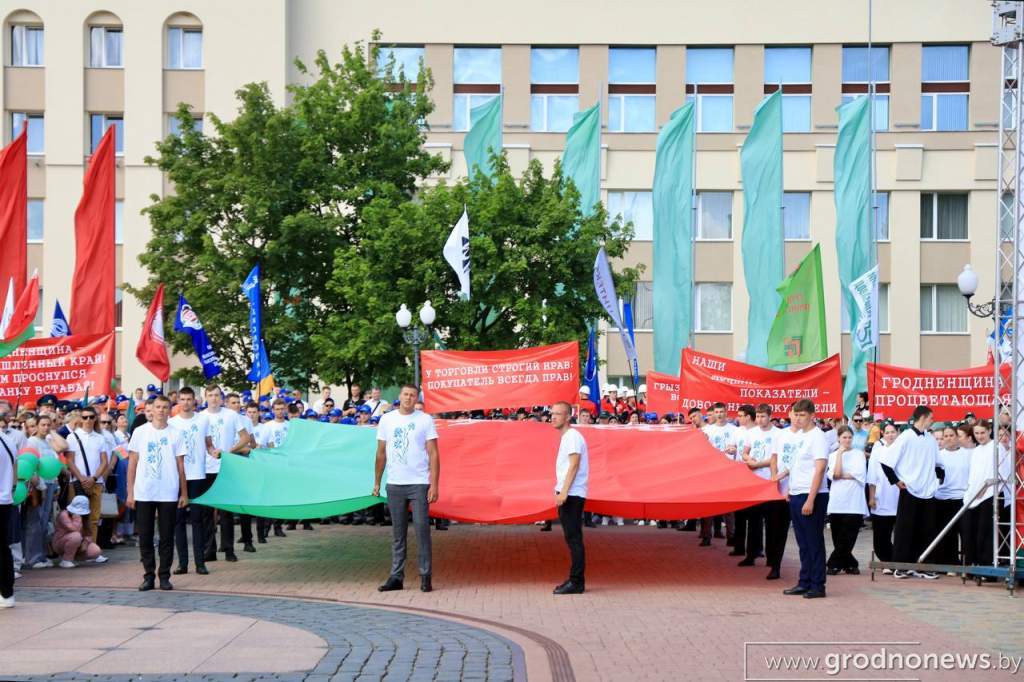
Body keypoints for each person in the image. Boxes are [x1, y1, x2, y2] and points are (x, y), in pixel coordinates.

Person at [373, 384, 440, 593]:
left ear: (416, 398)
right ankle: (396, 576)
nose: (409, 398)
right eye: (405, 394)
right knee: (397, 533)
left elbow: (434, 453)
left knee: (422, 530)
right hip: (394, 483)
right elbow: (381, 453)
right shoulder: (387, 419)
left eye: (412, 395)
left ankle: (425, 575)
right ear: (399, 396)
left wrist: (434, 484)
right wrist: (377, 481)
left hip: (419, 483)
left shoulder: (425, 419)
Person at [126, 395, 189, 591]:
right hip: (144, 492)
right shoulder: (140, 432)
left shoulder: (176, 434)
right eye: (158, 407)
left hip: (168, 492)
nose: (161, 410)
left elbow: (180, 466)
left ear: (170, 410)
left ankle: (164, 575)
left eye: (165, 407)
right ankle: (148, 575)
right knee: (145, 535)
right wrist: (130, 492)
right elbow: (132, 464)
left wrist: (183, 493)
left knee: (167, 536)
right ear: (151, 410)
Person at [879, 405, 940, 580]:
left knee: (928, 529)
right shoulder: (905, 437)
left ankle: (924, 565)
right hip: (910, 490)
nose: (932, 420)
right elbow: (886, 462)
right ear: (922, 418)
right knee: (905, 529)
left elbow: (938, 463)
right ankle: (901, 566)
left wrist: (938, 478)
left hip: (928, 491)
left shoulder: (930, 439)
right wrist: (896, 481)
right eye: (930, 418)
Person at [782, 399, 829, 599]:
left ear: (812, 415)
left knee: (814, 541)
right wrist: (788, 487)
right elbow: (794, 466)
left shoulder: (818, 437)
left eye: (802, 415)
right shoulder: (800, 436)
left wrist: (810, 499)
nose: (798, 418)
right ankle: (805, 580)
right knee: (802, 542)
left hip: (813, 495)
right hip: (796, 492)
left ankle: (818, 584)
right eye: (796, 414)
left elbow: (819, 469)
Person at [203, 386, 252, 560]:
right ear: (205, 397)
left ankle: (228, 549)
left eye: (216, 395)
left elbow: (245, 438)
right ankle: (209, 550)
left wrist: (229, 451)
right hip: (206, 469)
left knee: (226, 512)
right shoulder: (201, 417)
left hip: (227, 467)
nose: (214, 398)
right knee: (207, 512)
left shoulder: (231, 415)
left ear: (221, 398)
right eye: (210, 395)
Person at [168, 387, 212, 575]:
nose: (186, 402)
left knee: (197, 520)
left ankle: (200, 562)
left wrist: (217, 452)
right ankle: (182, 563)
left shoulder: (203, 420)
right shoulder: (171, 423)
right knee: (177, 521)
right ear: (178, 400)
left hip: (197, 475)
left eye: (189, 399)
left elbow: (209, 445)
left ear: (195, 400)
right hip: (178, 477)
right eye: (182, 399)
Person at [549, 400, 589, 594]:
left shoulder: (572, 436)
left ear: (568, 416)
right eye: (552, 413)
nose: (553, 417)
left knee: (574, 539)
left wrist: (564, 491)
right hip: (569, 492)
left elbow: (574, 464)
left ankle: (576, 581)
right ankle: (575, 580)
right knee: (572, 537)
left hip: (572, 494)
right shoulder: (567, 437)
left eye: (557, 413)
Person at [962, 419, 1012, 568]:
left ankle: (986, 565)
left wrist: (986, 487)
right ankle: (973, 563)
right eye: (976, 433)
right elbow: (974, 474)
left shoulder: (997, 447)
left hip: (991, 495)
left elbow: (1002, 472)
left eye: (982, 432)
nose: (979, 436)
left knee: (986, 532)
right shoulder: (976, 450)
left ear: (989, 431)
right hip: (974, 496)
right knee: (972, 530)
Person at [739, 403, 778, 571]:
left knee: (771, 523)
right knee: (753, 521)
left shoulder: (778, 434)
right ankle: (751, 554)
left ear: (770, 416)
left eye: (763, 416)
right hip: (754, 481)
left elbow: (776, 457)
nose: (760, 419)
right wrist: (749, 460)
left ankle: (772, 556)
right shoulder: (751, 433)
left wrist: (759, 463)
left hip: (770, 481)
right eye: (758, 416)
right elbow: (745, 452)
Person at [825, 426, 868, 575]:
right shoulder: (833, 456)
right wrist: (839, 455)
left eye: (850, 437)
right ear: (838, 438)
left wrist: (846, 475)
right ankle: (851, 563)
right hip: (837, 501)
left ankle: (833, 563)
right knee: (838, 536)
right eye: (844, 437)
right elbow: (836, 475)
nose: (847, 440)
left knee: (848, 535)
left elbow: (860, 474)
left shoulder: (858, 454)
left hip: (854, 501)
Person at [65, 406, 111, 543]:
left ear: (95, 418)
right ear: (80, 419)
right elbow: (70, 461)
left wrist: (94, 478)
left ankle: (92, 549)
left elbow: (104, 462)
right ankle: (75, 550)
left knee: (94, 518)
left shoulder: (100, 438)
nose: (88, 420)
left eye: (91, 417)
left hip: (96, 482)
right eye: (85, 417)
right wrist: (82, 478)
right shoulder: (72, 437)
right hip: (77, 482)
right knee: (76, 518)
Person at [933, 425, 970, 567]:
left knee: (965, 532)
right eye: (945, 436)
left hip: (962, 499)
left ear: (957, 437)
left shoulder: (967, 454)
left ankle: (968, 563)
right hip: (942, 499)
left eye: (951, 435)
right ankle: (950, 564)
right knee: (947, 535)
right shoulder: (939, 455)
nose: (948, 439)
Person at [700, 403, 737, 546]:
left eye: (722, 411)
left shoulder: (734, 430)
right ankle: (706, 535)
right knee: (708, 504)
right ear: (713, 413)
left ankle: (731, 536)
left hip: (728, 470)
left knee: (728, 505)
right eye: (717, 411)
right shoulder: (707, 430)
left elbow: (738, 447)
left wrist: (734, 450)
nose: (720, 414)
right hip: (711, 471)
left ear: (726, 412)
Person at [866, 421, 900, 570]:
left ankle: (898, 562)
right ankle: (887, 561)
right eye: (887, 432)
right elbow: (872, 475)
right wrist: (872, 497)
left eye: (893, 432)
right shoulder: (877, 450)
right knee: (880, 537)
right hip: (882, 498)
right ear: (882, 434)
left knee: (901, 536)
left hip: (900, 498)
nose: (890, 435)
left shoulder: (903, 450)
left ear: (898, 433)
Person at [731, 405, 760, 560]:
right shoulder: (738, 431)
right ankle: (739, 546)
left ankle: (756, 549)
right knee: (740, 514)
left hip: (754, 474)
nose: (738, 418)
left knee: (754, 516)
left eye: (741, 415)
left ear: (748, 417)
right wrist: (731, 449)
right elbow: (735, 448)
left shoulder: (756, 432)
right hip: (739, 474)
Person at [51, 495, 104, 568]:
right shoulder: (64, 515)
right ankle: (66, 560)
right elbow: (74, 529)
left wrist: (86, 542)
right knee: (76, 536)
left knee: (95, 550)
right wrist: (77, 518)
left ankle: (73, 558)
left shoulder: (84, 518)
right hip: (60, 543)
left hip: (77, 543)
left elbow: (88, 534)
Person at [0, 426, 16, 607]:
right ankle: (7, 592)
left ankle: (6, 592)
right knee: (3, 548)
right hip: (5, 499)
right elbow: (14, 473)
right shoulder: (8, 440)